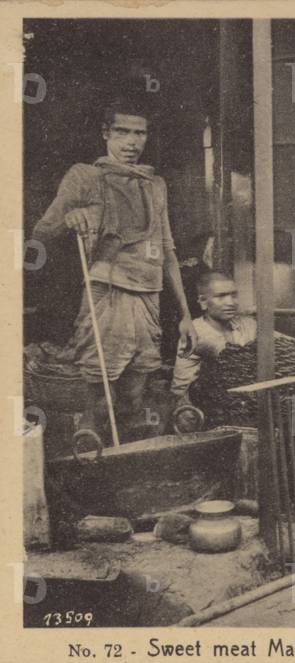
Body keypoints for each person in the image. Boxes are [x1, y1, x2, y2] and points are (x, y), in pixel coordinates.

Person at [31, 96, 197, 441]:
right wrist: (69, 217)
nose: (132, 142)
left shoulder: (155, 184)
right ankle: (90, 456)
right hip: (106, 292)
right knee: (99, 391)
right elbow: (42, 231)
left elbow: (167, 252)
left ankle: (126, 461)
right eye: (123, 132)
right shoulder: (85, 176)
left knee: (137, 389)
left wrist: (185, 314)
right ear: (106, 133)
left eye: (140, 133)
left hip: (148, 295)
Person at [171, 272, 256, 404]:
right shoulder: (196, 332)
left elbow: (282, 342)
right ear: (203, 302)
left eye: (234, 295)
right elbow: (239, 361)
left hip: (235, 400)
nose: (231, 302)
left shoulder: (247, 324)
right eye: (221, 296)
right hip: (196, 408)